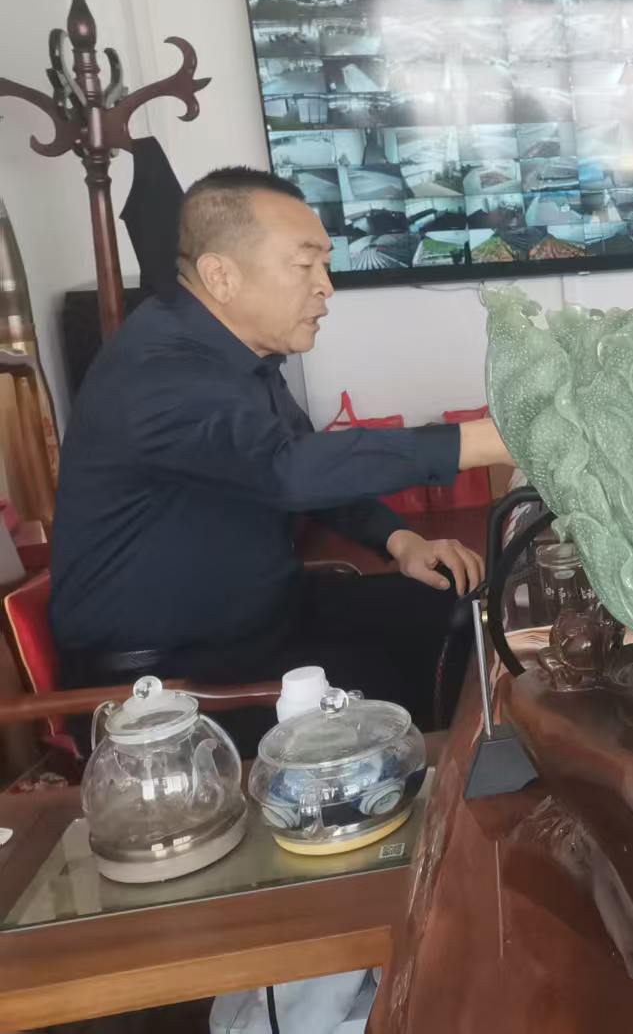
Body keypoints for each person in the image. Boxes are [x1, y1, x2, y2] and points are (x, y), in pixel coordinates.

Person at [50, 166, 515, 750]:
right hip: (167, 685)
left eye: (325, 264)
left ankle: (467, 765)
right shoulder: (159, 372)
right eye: (304, 265)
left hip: (261, 622)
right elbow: (289, 469)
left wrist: (400, 541)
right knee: (403, 692)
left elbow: (309, 465)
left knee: (455, 606)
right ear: (220, 275)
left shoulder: (236, 356)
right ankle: (446, 779)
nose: (326, 287)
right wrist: (487, 440)